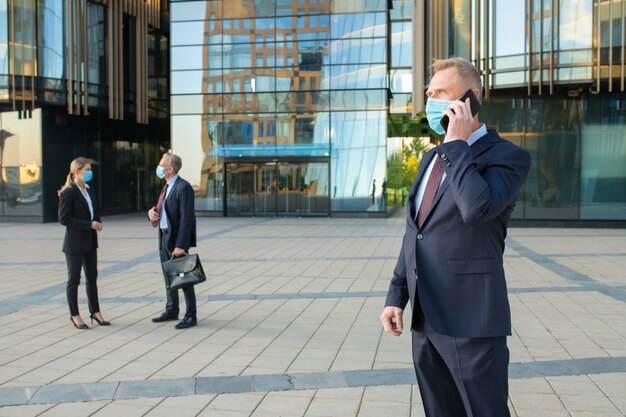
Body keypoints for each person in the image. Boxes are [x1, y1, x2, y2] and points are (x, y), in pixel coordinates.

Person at [380, 57, 531, 417]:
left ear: (472, 97)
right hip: (425, 318)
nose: (432, 101)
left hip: (471, 320)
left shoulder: (508, 157)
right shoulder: (431, 158)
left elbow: (477, 208)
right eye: (430, 93)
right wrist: (396, 295)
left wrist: (457, 145)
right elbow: (415, 233)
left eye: (442, 93)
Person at [58, 157, 110, 329]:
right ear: (76, 171)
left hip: (90, 242)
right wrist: (89, 225)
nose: (89, 172)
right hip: (74, 244)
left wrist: (98, 222)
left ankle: (95, 312)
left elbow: (93, 212)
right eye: (86, 169)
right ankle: (75, 315)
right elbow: (64, 218)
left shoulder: (89, 190)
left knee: (92, 278)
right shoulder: (68, 192)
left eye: (90, 169)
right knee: (74, 279)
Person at [148, 153, 198, 329]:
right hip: (164, 236)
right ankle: (171, 310)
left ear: (170, 169)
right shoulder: (167, 187)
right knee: (169, 275)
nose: (159, 167)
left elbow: (187, 218)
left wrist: (181, 245)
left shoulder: (183, 187)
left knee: (184, 277)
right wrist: (151, 214)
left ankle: (191, 315)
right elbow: (163, 210)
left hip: (176, 240)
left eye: (161, 164)